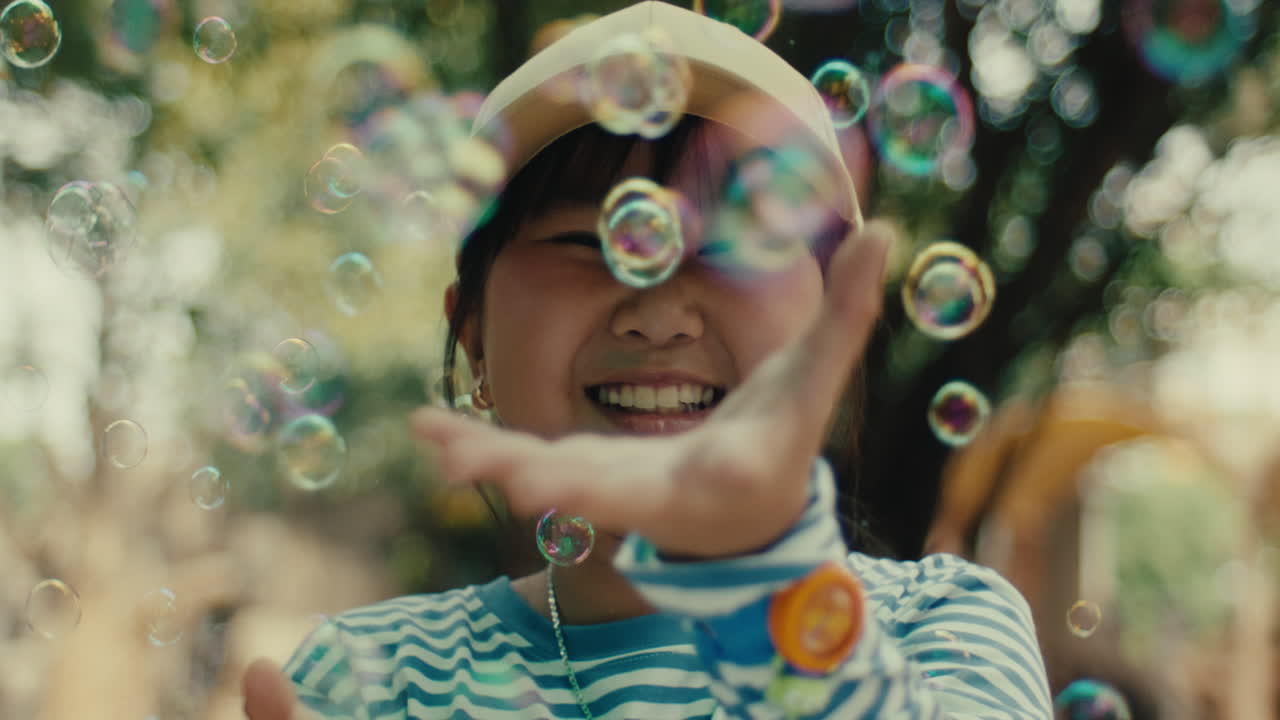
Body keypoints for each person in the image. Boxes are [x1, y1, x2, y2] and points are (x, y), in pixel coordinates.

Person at [242, 3, 1053, 718]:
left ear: (832, 326)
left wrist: (761, 579)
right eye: (582, 243)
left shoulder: (942, 627)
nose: (660, 312)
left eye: (740, 248)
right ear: (475, 333)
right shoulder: (375, 681)